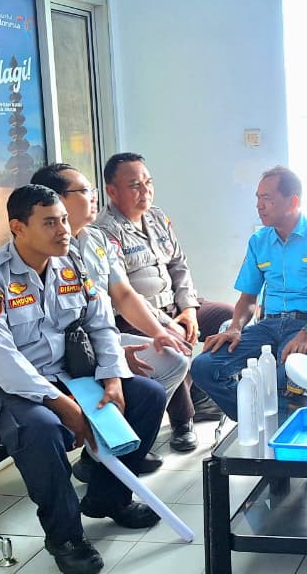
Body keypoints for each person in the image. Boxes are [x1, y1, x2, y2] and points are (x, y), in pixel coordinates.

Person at [0, 185, 167, 574]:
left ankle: (109, 498)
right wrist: (61, 403)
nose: (64, 230)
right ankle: (65, 537)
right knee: (41, 428)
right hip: (0, 391)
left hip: (67, 377)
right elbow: (2, 360)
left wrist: (112, 378)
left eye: (65, 220)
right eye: (50, 222)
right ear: (18, 228)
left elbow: (101, 325)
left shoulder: (72, 265)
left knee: (148, 396)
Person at [31, 164, 193, 468]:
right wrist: (110, 358)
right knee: (144, 383)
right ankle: (105, 453)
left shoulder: (96, 240)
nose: (94, 197)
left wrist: (159, 332)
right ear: (57, 200)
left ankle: (120, 444)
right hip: (61, 354)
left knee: (173, 359)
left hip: (98, 339)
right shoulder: (40, 251)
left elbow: (124, 295)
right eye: (84, 191)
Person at [94, 152, 233, 449]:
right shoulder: (104, 231)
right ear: (112, 191)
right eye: (135, 185)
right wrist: (169, 324)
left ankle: (201, 390)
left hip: (175, 304)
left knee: (228, 317)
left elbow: (179, 266)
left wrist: (189, 310)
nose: (145, 191)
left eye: (148, 182)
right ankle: (183, 419)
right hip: (137, 316)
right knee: (171, 345)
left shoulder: (158, 217)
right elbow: (124, 295)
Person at [190, 166, 307, 421]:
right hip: (268, 326)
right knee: (204, 367)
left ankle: (276, 426)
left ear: (293, 201)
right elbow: (248, 299)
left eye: (267, 198)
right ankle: (257, 418)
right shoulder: (259, 240)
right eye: (258, 198)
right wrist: (235, 327)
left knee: (286, 374)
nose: (259, 206)